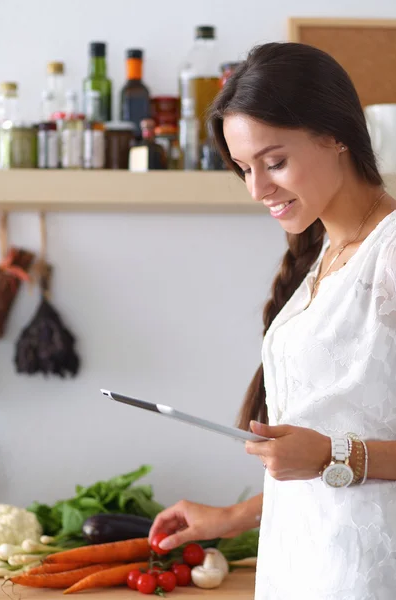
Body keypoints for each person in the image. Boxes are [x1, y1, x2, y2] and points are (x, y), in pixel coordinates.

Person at [148, 41, 396, 599]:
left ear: (335, 135)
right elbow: (315, 458)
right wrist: (233, 517)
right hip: (299, 562)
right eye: (243, 169)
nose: (258, 189)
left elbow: (328, 454)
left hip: (371, 575)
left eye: (275, 162)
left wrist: (332, 453)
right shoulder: (325, 258)